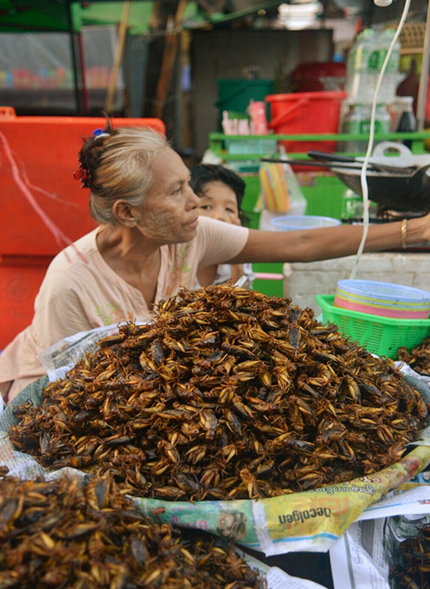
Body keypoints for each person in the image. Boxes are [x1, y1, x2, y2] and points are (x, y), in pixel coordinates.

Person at [1, 121, 430, 402]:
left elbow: (298, 243)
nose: (196, 203)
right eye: (176, 193)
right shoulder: (70, 282)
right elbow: (71, 397)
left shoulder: (191, 235)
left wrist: (415, 230)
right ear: (128, 213)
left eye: (190, 185)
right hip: (57, 395)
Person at [189, 164, 254, 288]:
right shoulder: (174, 253)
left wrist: (236, 263)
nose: (220, 217)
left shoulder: (241, 252)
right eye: (206, 207)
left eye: (229, 209)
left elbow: (242, 299)